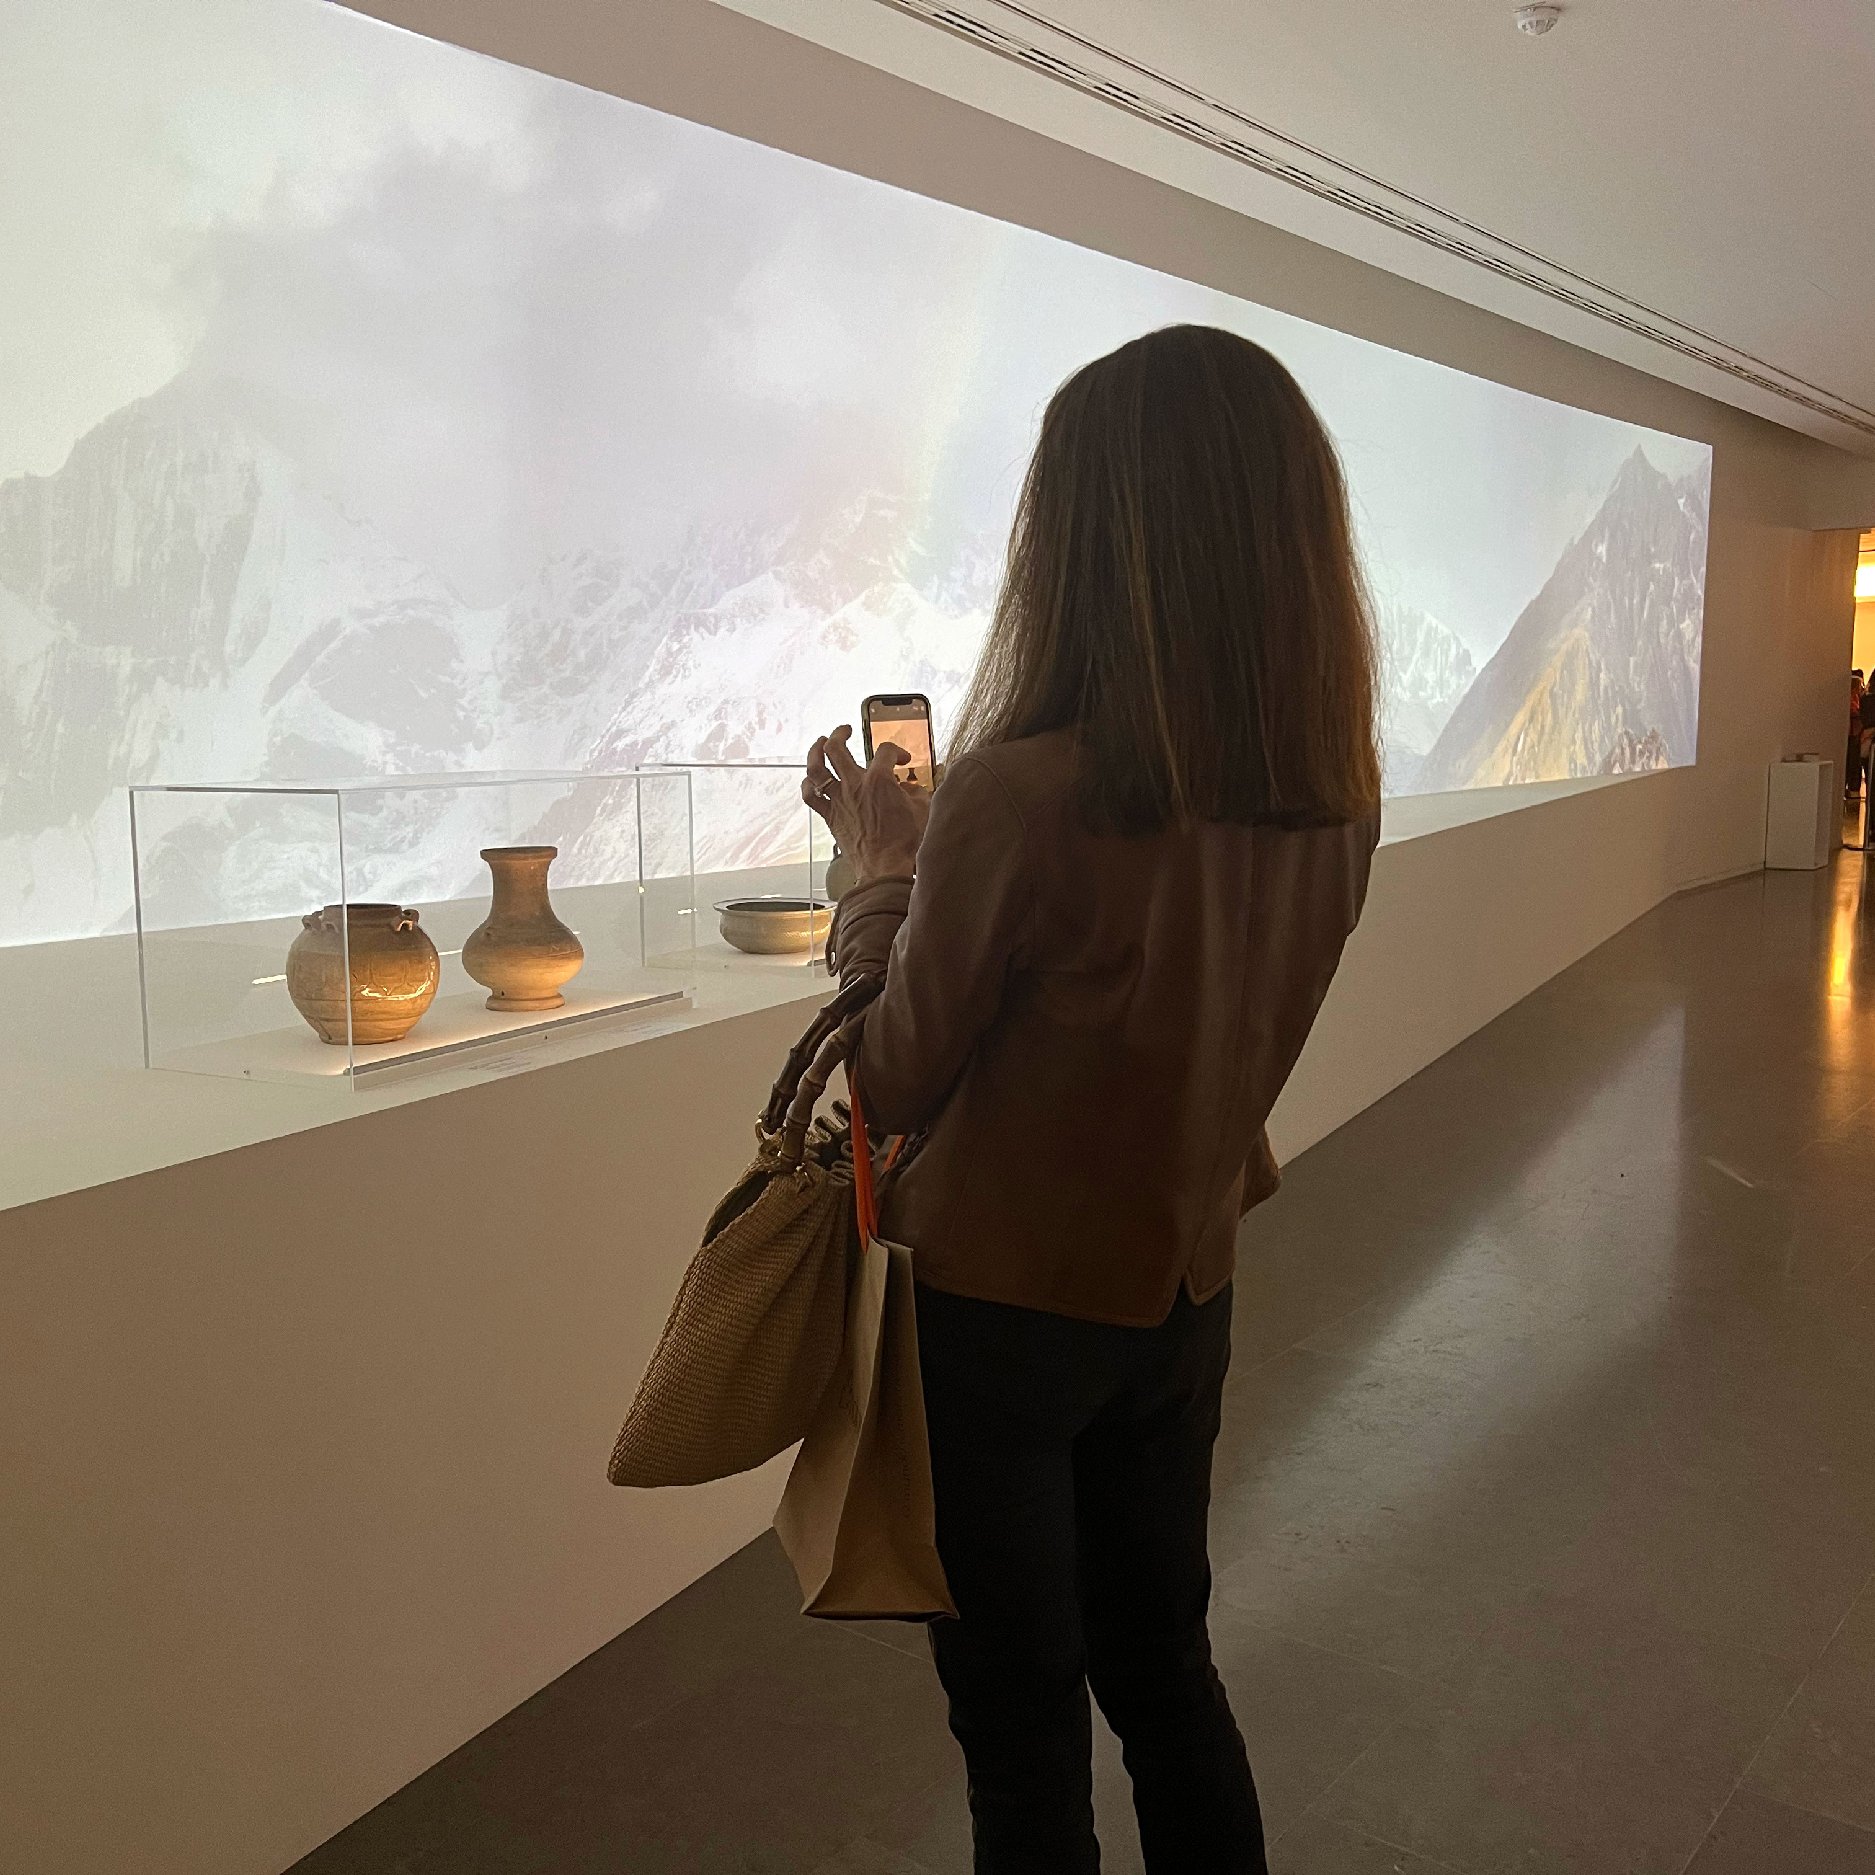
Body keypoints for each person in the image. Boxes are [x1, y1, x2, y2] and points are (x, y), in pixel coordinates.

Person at [802, 323, 1381, 1874]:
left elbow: (887, 1078)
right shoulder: (1333, 798)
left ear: (1086, 536)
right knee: (1166, 1676)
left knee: (1021, 1729)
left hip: (995, 1321)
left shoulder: (1018, 794)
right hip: (1181, 1293)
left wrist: (880, 876)